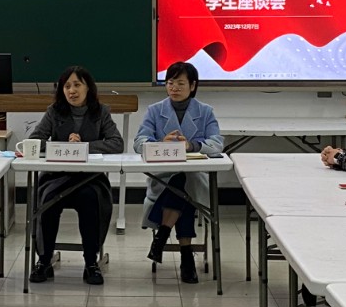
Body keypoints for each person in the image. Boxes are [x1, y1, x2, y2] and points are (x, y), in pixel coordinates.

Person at [27, 65, 123, 285]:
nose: (72, 90)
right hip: (56, 178)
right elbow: (35, 140)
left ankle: (91, 263)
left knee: (91, 200)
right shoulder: (54, 111)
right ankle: (44, 260)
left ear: (88, 88)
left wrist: (84, 147)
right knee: (47, 201)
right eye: (67, 86)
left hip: (89, 179)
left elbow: (117, 143)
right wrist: (63, 146)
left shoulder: (101, 112)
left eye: (77, 85)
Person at [135, 61, 224, 284]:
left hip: (195, 178)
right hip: (163, 178)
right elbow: (139, 142)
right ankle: (186, 256)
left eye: (180, 83)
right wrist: (160, 144)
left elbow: (217, 144)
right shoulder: (155, 110)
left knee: (185, 182)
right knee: (182, 190)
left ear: (192, 86)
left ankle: (163, 236)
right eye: (170, 82)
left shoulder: (205, 111)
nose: (174, 87)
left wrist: (192, 145)